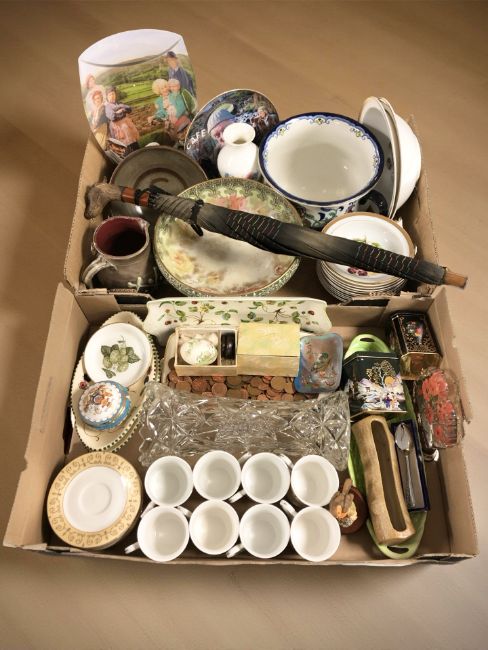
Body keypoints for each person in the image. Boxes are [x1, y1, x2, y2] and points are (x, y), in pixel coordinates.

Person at [105, 86, 139, 153]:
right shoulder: (108, 107)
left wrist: (121, 108)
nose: (112, 96)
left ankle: (138, 153)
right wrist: (122, 111)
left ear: (115, 94)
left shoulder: (119, 103)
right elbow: (112, 117)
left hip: (127, 126)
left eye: (113, 94)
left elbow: (129, 109)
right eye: (110, 95)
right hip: (118, 129)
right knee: (125, 146)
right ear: (107, 97)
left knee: (134, 143)